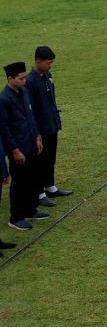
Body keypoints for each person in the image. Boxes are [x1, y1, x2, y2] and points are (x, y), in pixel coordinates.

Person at [1, 62, 44, 231]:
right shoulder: (4, 99)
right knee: (19, 182)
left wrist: (37, 136)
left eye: (25, 77)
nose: (24, 81)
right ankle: (16, 216)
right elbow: (4, 128)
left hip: (31, 142)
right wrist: (15, 149)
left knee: (31, 178)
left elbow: (30, 116)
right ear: (10, 79)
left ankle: (30, 209)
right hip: (18, 147)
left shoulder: (24, 92)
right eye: (21, 78)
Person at [26, 46, 69, 207]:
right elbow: (30, 109)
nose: (50, 65)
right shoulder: (30, 81)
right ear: (38, 61)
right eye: (48, 62)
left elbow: (51, 100)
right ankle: (39, 192)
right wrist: (35, 132)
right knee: (40, 161)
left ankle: (50, 186)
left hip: (51, 125)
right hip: (41, 128)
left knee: (50, 158)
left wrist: (56, 121)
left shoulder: (47, 76)